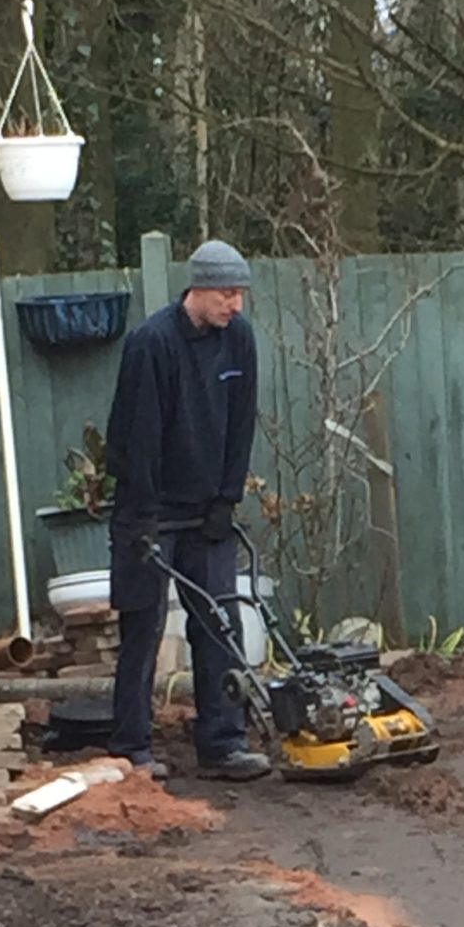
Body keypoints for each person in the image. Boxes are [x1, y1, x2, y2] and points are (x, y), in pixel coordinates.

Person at [104, 240, 270, 781]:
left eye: (240, 294)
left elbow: (241, 423)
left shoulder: (239, 342)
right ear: (198, 288)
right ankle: (132, 747)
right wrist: (143, 514)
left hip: (208, 513)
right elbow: (133, 436)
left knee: (220, 623)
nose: (235, 305)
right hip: (149, 512)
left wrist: (227, 499)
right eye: (227, 293)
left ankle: (223, 742)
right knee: (143, 627)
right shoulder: (152, 344)